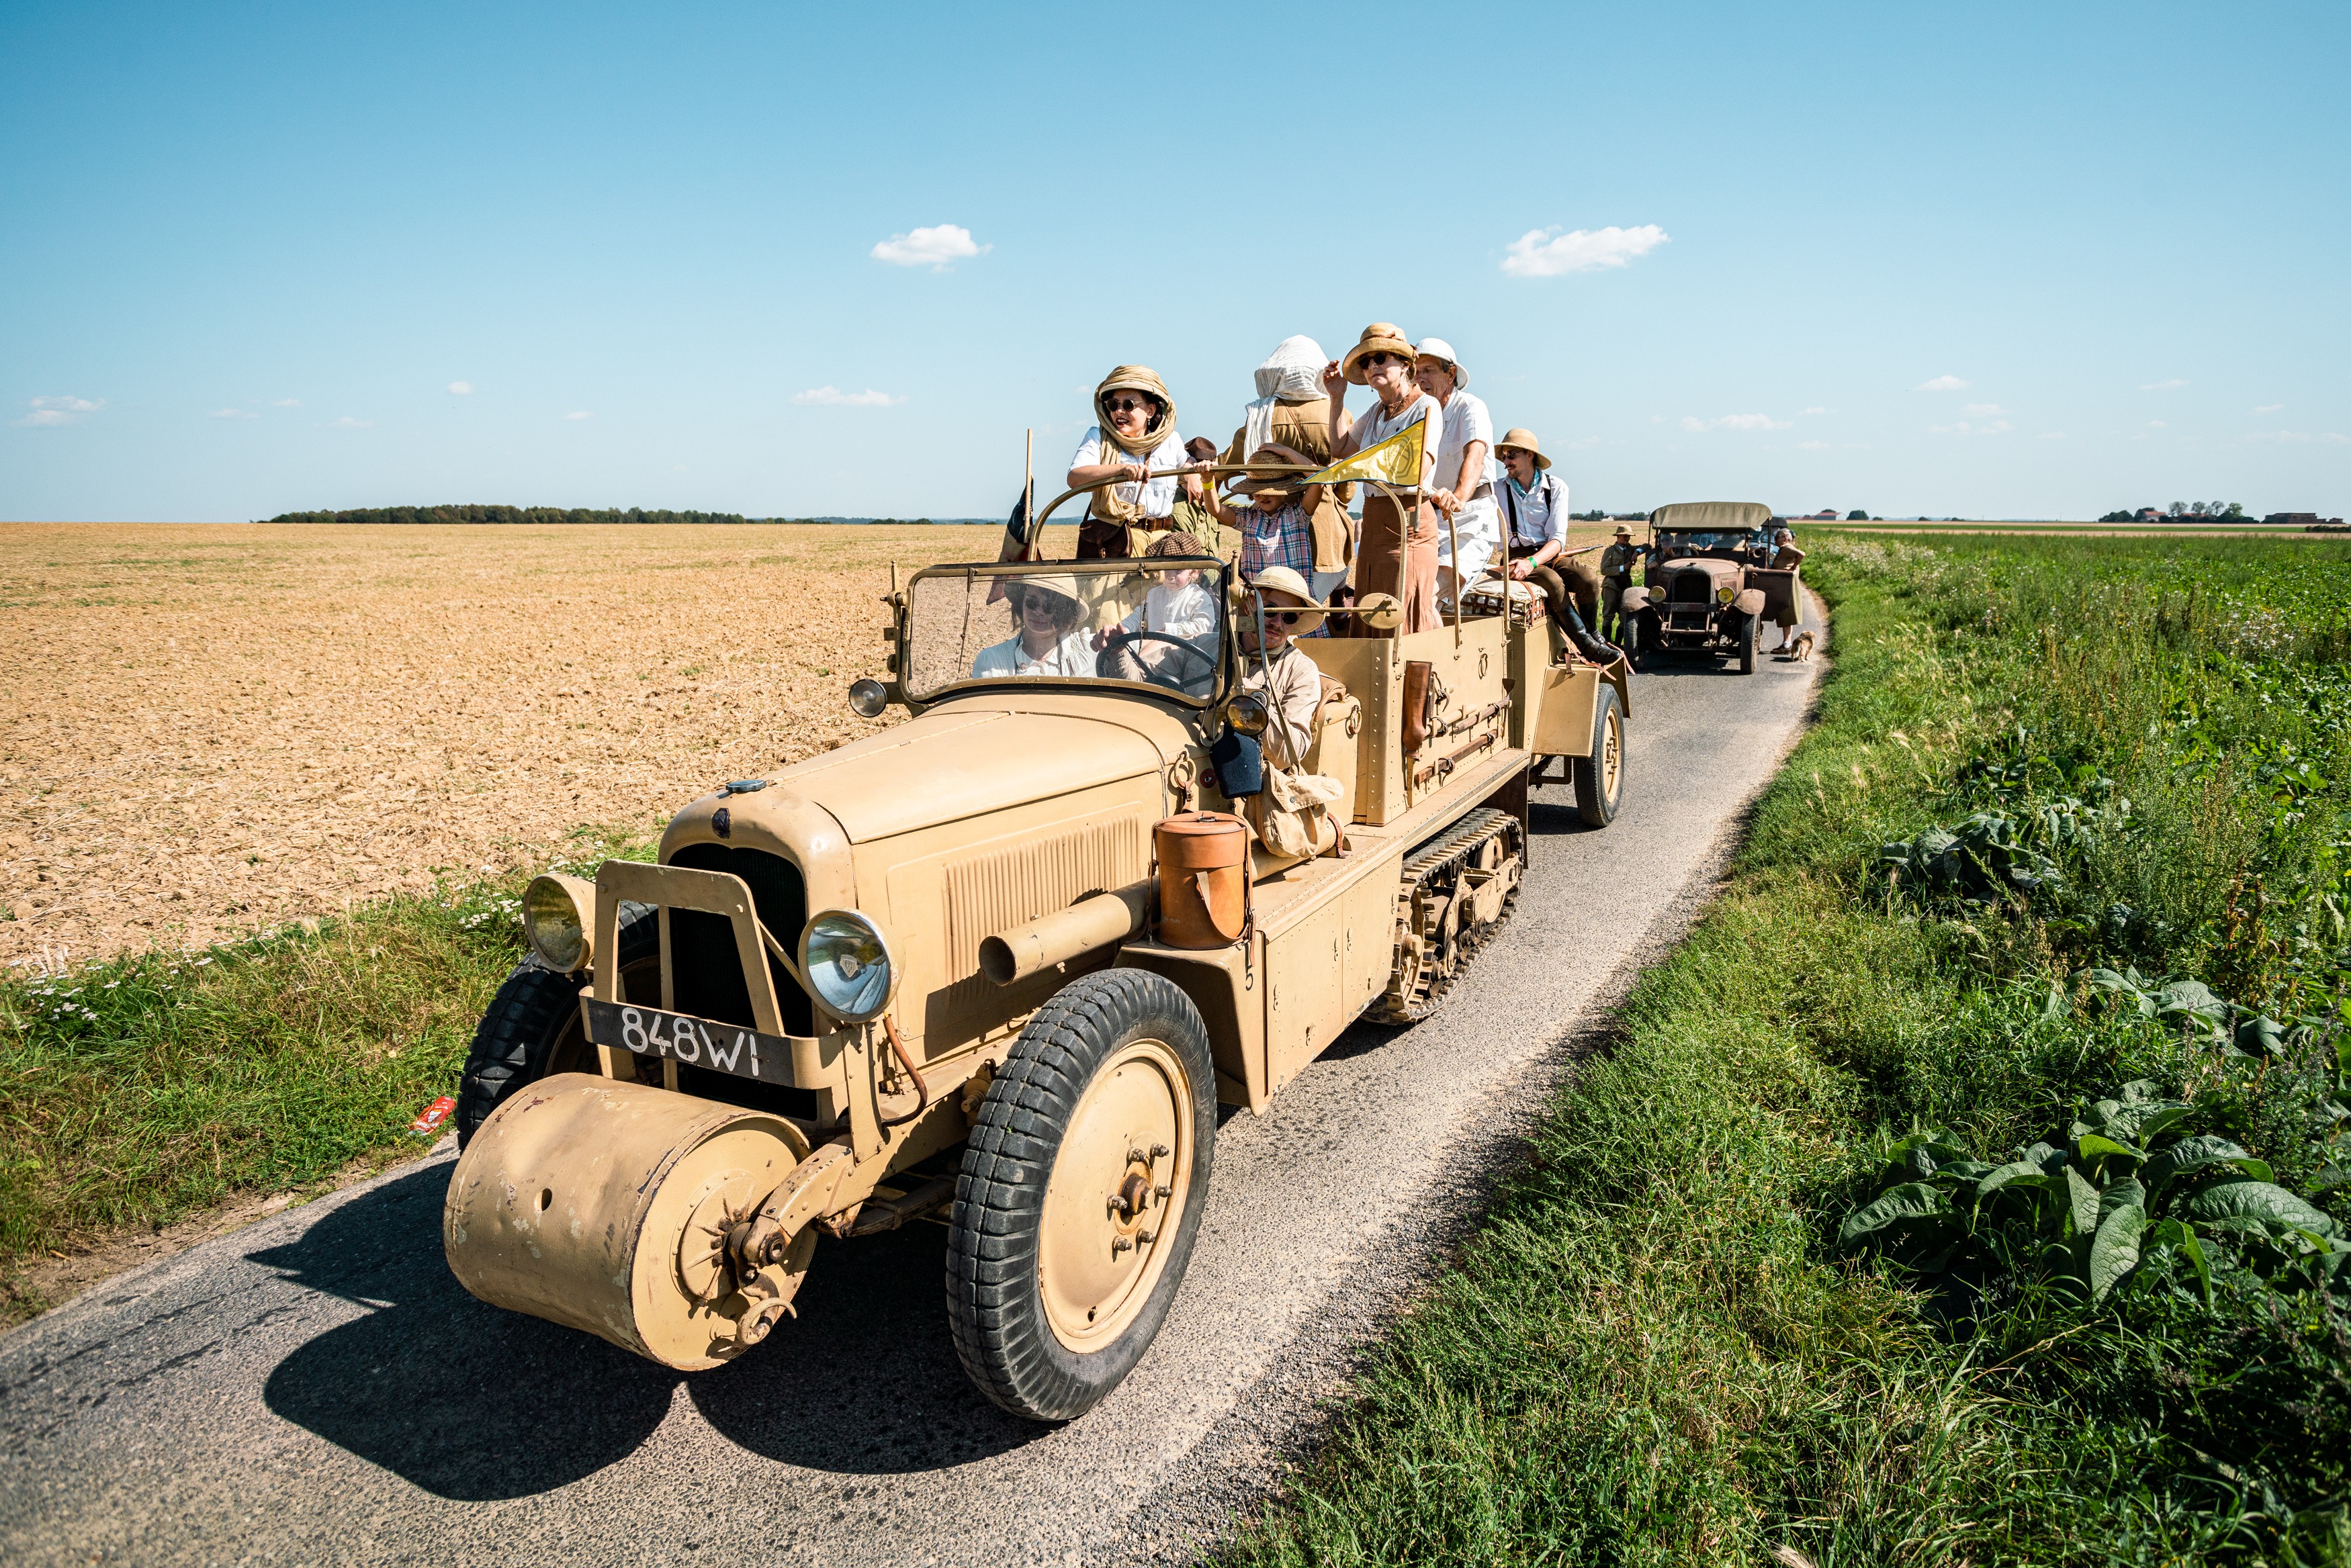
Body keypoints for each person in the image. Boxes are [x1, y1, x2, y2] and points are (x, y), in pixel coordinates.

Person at [1323, 324, 1444, 635]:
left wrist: (1362, 466)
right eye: (1365, 362)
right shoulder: (1377, 411)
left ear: (1405, 364)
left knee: (1399, 617)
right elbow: (1339, 448)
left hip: (1408, 522)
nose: (1372, 366)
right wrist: (1337, 398)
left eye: (1380, 357)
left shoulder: (1426, 406)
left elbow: (1419, 470)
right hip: (1375, 521)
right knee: (1368, 612)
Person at [1223, 336, 1353, 605]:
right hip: (1327, 532)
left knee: (1279, 609)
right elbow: (1346, 489)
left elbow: (1226, 466)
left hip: (1274, 540)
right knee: (1320, 610)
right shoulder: (1338, 413)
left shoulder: (1260, 416)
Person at [1494, 428, 1617, 664]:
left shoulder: (1556, 487)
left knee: (1588, 579)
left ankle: (1593, 634)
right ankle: (1588, 646)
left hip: (1549, 552)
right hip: (1515, 557)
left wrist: (1532, 562)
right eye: (1504, 457)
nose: (1506, 461)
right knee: (1552, 583)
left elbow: (1557, 539)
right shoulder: (1497, 489)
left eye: (1511, 455)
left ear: (1529, 455)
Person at [1065, 367, 1205, 559]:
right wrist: (1121, 469)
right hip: (1116, 544)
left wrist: (1193, 474)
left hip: (1162, 544)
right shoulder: (1098, 437)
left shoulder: (1170, 441)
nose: (1119, 411)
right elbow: (1075, 478)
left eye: (1129, 405)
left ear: (1150, 410)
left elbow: (1186, 465)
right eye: (1113, 405)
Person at [1413, 338, 1501, 604]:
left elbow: (1475, 457)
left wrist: (1460, 497)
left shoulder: (1470, 407)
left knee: (1427, 597)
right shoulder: (1417, 415)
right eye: (1415, 372)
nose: (1419, 379)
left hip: (1471, 520)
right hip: (1429, 521)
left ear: (1450, 373)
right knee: (1405, 596)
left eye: (1427, 370)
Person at [970, 575, 1097, 678]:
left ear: (1065, 612)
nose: (1038, 611)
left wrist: (1114, 645)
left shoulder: (1087, 652)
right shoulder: (993, 660)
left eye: (1049, 606)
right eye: (1032, 603)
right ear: (1021, 603)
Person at [1764, 526, 1808, 651]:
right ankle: (1786, 643)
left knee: (1787, 612)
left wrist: (1794, 568)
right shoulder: (1783, 549)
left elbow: (1801, 554)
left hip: (1787, 583)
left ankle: (1787, 644)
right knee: (1785, 613)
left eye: (1777, 538)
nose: (1775, 540)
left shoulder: (1788, 547)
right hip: (1784, 583)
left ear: (1785, 538)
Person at [1599, 523, 1642, 644]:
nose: (1627, 539)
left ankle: (1618, 645)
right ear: (1618, 537)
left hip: (1626, 588)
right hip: (1611, 587)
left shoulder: (1630, 549)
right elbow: (1604, 570)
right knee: (1608, 617)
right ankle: (1607, 644)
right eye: (1624, 536)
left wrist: (1637, 552)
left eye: (1629, 536)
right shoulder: (1610, 551)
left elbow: (1647, 546)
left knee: (1625, 618)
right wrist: (1623, 568)